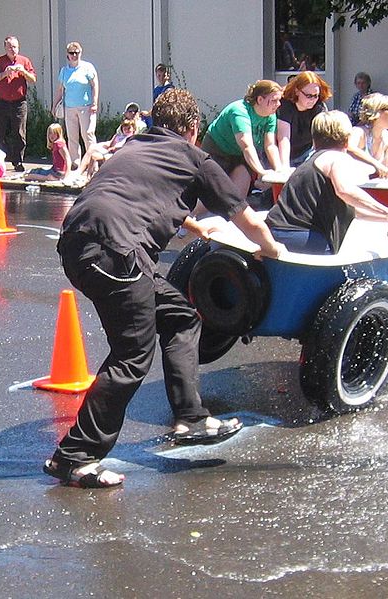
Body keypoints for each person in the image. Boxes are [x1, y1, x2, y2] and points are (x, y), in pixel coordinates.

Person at [42, 88, 285, 488]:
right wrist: (271, 250)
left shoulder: (134, 146)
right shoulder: (194, 157)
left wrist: (193, 226)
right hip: (118, 253)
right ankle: (75, 457)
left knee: (181, 317)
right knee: (131, 357)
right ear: (193, 129)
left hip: (77, 245)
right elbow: (243, 214)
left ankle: (190, 417)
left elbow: (136, 196)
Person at [265, 110, 388, 254]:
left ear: (314, 139)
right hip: (302, 237)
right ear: (347, 138)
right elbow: (346, 191)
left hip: (275, 232)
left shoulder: (311, 162)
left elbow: (353, 211)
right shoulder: (336, 158)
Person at [200, 80, 284, 198]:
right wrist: (261, 171)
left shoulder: (270, 115)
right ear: (260, 100)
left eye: (279, 100)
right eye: (274, 100)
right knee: (213, 193)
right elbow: (247, 146)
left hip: (240, 156)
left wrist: (279, 170)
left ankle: (232, 216)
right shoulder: (239, 111)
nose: (279, 104)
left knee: (237, 197)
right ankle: (192, 214)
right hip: (218, 150)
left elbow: (270, 145)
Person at [0, 36, 36, 172]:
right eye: (10, 47)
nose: (12, 49)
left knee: (19, 132)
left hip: (19, 102)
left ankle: (18, 161)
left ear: (18, 47)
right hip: (2, 102)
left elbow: (33, 79)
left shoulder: (24, 61)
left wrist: (23, 72)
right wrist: (3, 74)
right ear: (5, 48)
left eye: (15, 47)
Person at [52, 41, 99, 168]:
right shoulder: (64, 71)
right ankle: (75, 162)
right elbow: (60, 89)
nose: (74, 55)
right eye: (71, 53)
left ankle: (93, 162)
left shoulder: (88, 67)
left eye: (76, 53)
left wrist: (94, 103)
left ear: (80, 53)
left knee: (88, 134)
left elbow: (95, 85)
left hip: (86, 106)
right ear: (67, 55)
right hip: (69, 107)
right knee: (72, 136)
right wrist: (54, 105)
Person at [277, 71, 332, 168]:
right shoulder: (285, 104)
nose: (313, 100)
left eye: (316, 96)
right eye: (309, 96)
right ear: (297, 91)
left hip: (306, 153)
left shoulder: (319, 107)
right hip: (280, 154)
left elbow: (322, 137)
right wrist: (284, 168)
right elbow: (283, 138)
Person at [67, 118, 136, 184]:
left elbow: (126, 148)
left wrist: (114, 148)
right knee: (94, 155)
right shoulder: (118, 136)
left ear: (133, 129)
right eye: (125, 128)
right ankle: (88, 176)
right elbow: (110, 145)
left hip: (119, 155)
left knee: (106, 158)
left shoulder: (132, 138)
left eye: (129, 128)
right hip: (110, 152)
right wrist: (112, 143)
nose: (127, 130)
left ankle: (102, 177)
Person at [347, 93, 388, 178]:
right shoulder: (358, 132)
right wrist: (376, 164)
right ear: (378, 111)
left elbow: (387, 169)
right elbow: (349, 148)